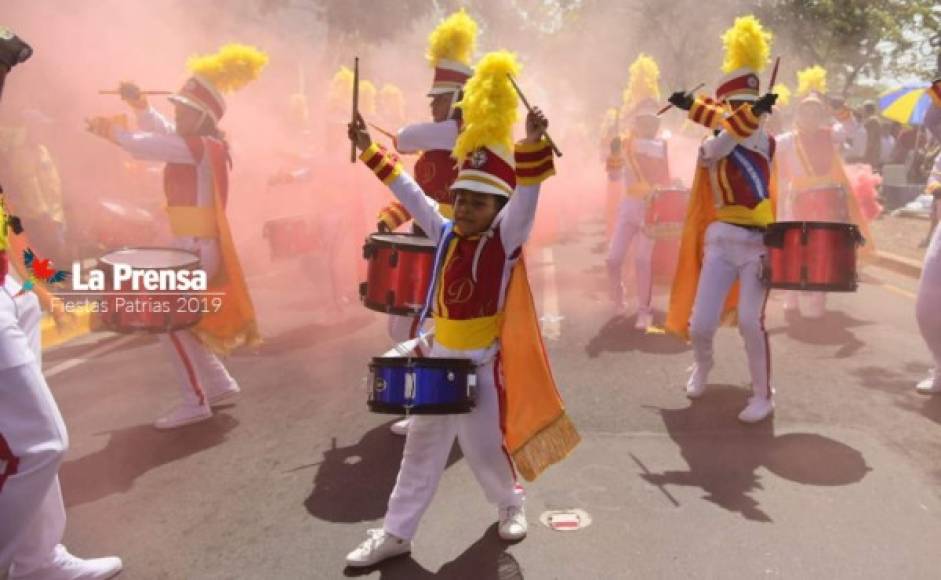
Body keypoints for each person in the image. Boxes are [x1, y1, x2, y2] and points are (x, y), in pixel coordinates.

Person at [344, 51, 578, 568]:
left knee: (484, 450)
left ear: (497, 210)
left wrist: (533, 144)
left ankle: (510, 503)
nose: (465, 206)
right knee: (419, 453)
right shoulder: (445, 230)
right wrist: (368, 151)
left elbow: (529, 195)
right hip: (438, 358)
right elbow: (408, 190)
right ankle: (396, 532)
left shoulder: (505, 240)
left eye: (477, 201)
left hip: (480, 365)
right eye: (462, 197)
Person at [86, 44, 265, 429]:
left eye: (182, 109)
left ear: (200, 117)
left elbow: (143, 144)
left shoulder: (196, 147)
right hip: (194, 245)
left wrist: (113, 130)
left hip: (194, 248)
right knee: (180, 324)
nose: (175, 113)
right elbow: (162, 132)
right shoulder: (201, 143)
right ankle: (218, 383)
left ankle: (195, 400)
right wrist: (139, 107)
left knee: (166, 325)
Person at [0, 26, 124, 580]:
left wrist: (45, 280)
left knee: (30, 443)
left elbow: (7, 223)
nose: (4, 77)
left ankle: (38, 558)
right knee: (40, 443)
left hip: (10, 287)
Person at [665, 15, 779, 423]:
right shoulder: (713, 142)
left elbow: (738, 130)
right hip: (721, 240)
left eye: (753, 106)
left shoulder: (768, 140)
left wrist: (697, 108)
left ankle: (764, 395)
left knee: (752, 322)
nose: (749, 113)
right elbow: (723, 138)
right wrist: (697, 108)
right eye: (740, 107)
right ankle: (703, 366)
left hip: (758, 245)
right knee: (701, 324)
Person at [377, 9, 478, 436]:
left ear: (457, 99)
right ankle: (428, 400)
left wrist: (387, 142)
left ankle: (434, 406)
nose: (433, 105)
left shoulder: (462, 132)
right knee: (404, 322)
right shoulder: (437, 147)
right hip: (429, 237)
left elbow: (404, 137)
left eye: (438, 99)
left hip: (457, 242)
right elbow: (422, 196)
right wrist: (390, 216)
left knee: (429, 324)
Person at [775, 65, 874, 318]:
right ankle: (791, 295)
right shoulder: (787, 139)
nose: (810, 117)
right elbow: (767, 151)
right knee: (793, 249)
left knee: (821, 250)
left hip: (825, 204)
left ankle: (818, 299)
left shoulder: (830, 135)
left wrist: (838, 108)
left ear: (820, 116)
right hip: (794, 202)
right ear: (798, 115)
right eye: (805, 112)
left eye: (815, 113)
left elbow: (852, 128)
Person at [605, 54, 670, 328]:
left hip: (650, 208)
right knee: (612, 259)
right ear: (636, 122)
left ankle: (644, 310)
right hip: (628, 207)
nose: (646, 125)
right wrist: (615, 152)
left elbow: (664, 180)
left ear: (656, 124)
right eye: (642, 120)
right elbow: (614, 176)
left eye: (650, 121)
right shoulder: (624, 144)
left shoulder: (660, 146)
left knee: (643, 260)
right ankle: (618, 301)